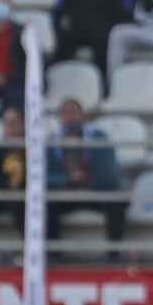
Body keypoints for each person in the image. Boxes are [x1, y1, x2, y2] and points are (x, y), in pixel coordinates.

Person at [46, 98, 125, 257]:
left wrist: (86, 180)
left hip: (93, 189)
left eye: (74, 112)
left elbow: (109, 173)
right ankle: (52, 256)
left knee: (117, 202)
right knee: (44, 206)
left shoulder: (99, 137)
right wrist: (68, 180)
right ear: (60, 117)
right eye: (66, 113)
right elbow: (44, 177)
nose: (71, 117)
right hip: (64, 192)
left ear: (82, 115)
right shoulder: (51, 142)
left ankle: (114, 254)